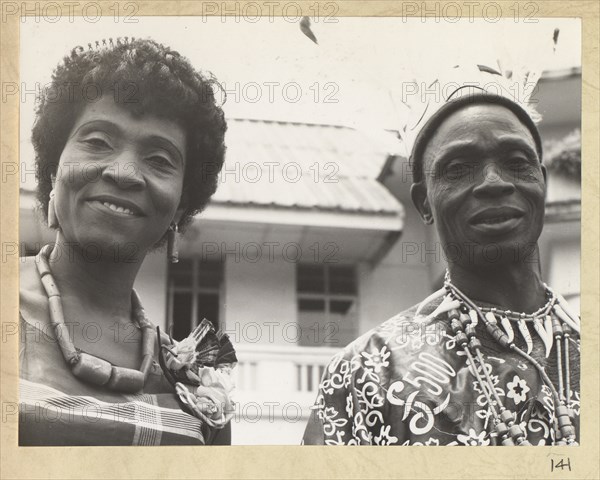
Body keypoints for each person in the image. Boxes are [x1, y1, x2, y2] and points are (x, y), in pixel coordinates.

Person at [302, 64, 580, 446]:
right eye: (459, 168)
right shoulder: (366, 371)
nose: (494, 183)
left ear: (542, 184)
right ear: (424, 203)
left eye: (517, 162)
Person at [19, 37, 236, 445]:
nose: (124, 173)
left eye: (159, 160)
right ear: (52, 171)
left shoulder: (194, 381)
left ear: (179, 207)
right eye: (97, 142)